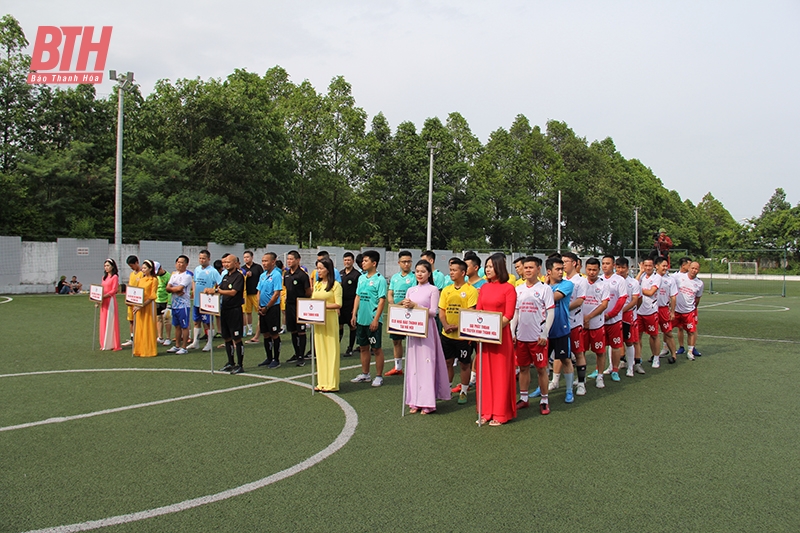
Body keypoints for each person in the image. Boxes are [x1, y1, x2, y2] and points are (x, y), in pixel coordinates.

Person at [401, 259, 451, 413]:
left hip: (427, 329)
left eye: (423, 271)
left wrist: (416, 306)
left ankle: (428, 402)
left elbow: (433, 312)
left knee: (427, 363)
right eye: (417, 271)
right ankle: (414, 400)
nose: (420, 274)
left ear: (429, 273)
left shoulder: (433, 289)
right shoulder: (411, 290)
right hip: (413, 330)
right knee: (414, 364)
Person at [475, 253, 517, 426]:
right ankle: (485, 411)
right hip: (484, 338)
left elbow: (509, 315)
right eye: (487, 266)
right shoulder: (484, 288)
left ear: (499, 267)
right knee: (484, 373)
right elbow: (478, 311)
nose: (488, 269)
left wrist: (493, 328)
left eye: (491, 266)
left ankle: (500, 413)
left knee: (500, 374)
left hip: (500, 338)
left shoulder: (509, 288)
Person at [511, 257, 555, 415]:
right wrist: (512, 331)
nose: (528, 270)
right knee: (523, 368)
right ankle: (524, 398)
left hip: (538, 338)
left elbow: (550, 312)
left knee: (541, 369)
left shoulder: (545, 289)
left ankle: (544, 400)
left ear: (538, 269)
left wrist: (545, 332)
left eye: (531, 267)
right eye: (526, 267)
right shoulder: (519, 289)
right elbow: (515, 312)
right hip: (522, 337)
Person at [439, 258, 478, 405]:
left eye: (454, 270)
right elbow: (441, 311)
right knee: (447, 362)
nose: (451, 273)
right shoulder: (446, 290)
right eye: (450, 270)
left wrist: (454, 327)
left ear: (463, 272)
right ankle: (446, 389)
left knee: (464, 364)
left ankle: (463, 391)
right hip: (446, 334)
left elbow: (470, 313)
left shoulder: (471, 291)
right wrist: (445, 325)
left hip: (463, 336)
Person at [350, 250, 388, 387]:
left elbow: (382, 301)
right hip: (361, 319)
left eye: (366, 261)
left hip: (373, 320)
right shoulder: (361, 278)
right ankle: (365, 374)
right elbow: (358, 296)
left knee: (376, 348)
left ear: (374, 263)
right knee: (363, 347)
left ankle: (378, 376)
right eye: (363, 261)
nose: (363, 263)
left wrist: (376, 319)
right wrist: (354, 314)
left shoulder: (380, 280)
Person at [206, 254, 246, 374]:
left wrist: (217, 291)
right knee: (227, 337)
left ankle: (240, 364)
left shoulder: (239, 276)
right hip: (225, 309)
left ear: (235, 263)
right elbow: (219, 289)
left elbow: (233, 292)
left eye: (228, 262)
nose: (225, 264)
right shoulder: (224, 276)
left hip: (235, 310)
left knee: (236, 338)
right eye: (224, 262)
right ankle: (230, 362)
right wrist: (210, 291)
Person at [554, 252, 587, 394]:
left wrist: (564, 308)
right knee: (558, 354)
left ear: (574, 263)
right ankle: (554, 381)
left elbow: (580, 300)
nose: (563, 264)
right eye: (562, 262)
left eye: (566, 261)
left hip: (574, 322)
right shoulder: (560, 280)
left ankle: (581, 383)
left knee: (578, 353)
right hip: (560, 323)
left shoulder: (581, 280)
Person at [312, 257, 343, 392]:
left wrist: (324, 306)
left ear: (328, 269)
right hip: (319, 321)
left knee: (331, 350)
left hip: (330, 319)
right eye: (317, 268)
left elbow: (338, 304)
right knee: (320, 350)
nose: (318, 271)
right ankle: (322, 381)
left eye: (321, 268)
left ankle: (332, 383)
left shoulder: (336, 285)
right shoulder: (317, 284)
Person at [387, 250, 416, 377]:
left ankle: (413, 366)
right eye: (404, 262)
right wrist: (392, 303)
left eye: (409, 261)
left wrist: (399, 305)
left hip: (410, 312)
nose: (406, 264)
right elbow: (390, 292)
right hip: (396, 313)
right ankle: (398, 367)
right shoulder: (395, 277)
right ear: (399, 263)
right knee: (396, 341)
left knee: (412, 341)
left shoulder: (414, 277)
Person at [582, 258, 610, 388]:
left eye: (594, 270)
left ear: (599, 270)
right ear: (585, 269)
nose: (592, 272)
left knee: (600, 351)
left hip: (597, 324)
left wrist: (589, 317)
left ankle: (600, 376)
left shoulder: (604, 285)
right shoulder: (581, 283)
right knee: (581, 352)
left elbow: (604, 305)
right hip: (581, 324)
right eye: (589, 269)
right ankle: (581, 378)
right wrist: (583, 318)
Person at [600, 255, 628, 382]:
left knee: (616, 346)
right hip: (599, 320)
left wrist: (611, 314)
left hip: (614, 320)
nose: (605, 266)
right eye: (603, 263)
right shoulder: (599, 279)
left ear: (613, 266)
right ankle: (599, 369)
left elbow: (622, 299)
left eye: (608, 263)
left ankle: (615, 370)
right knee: (600, 347)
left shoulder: (620, 280)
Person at [616, 257, 645, 377]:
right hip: (614, 316)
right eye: (618, 267)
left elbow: (636, 300)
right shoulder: (611, 281)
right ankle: (614, 366)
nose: (620, 270)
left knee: (630, 341)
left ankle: (632, 367)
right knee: (614, 342)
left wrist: (623, 310)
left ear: (627, 268)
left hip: (628, 316)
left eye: (623, 267)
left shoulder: (633, 282)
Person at [284, 250, 312, 366]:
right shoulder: (286, 274)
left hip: (300, 305)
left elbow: (308, 292)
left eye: (291, 259)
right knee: (293, 331)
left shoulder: (302, 275)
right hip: (289, 305)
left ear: (298, 260)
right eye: (288, 259)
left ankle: (301, 356)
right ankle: (296, 353)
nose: (289, 261)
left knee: (301, 331)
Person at [256, 252, 283, 369]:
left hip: (272, 309)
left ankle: (276, 359)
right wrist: (259, 305)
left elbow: (276, 293)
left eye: (266, 261)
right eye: (263, 261)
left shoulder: (276, 275)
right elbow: (258, 291)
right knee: (265, 334)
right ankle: (269, 357)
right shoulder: (262, 275)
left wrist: (267, 307)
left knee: (274, 333)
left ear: (273, 262)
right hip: (262, 308)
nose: (264, 263)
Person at [190, 250, 221, 352]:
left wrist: (214, 292)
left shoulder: (213, 271)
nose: (201, 260)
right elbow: (194, 281)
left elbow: (220, 283)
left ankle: (209, 343)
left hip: (207, 301)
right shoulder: (197, 269)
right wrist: (194, 291)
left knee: (208, 323)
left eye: (203, 258)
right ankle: (196, 342)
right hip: (197, 301)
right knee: (196, 321)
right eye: (200, 258)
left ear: (208, 259)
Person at [674, 261, 704, 360]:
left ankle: (690, 351)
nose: (694, 270)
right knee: (669, 330)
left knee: (691, 331)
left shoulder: (699, 283)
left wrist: (693, 307)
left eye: (696, 269)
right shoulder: (678, 278)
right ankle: (673, 348)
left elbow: (698, 298)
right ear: (689, 268)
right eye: (693, 268)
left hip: (689, 311)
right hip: (676, 310)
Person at [636, 258, 662, 368]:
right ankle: (638, 358)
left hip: (651, 311)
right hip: (639, 311)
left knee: (654, 335)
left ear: (654, 266)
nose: (647, 268)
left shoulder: (657, 277)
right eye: (645, 266)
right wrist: (640, 272)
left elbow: (651, 292)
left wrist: (638, 289)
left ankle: (656, 357)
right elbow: (633, 284)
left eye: (649, 266)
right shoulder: (641, 276)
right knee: (637, 336)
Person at [166, 255, 193, 355]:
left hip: (183, 305)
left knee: (184, 326)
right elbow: (168, 288)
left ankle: (184, 347)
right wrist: (175, 290)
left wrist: (174, 289)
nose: (179, 264)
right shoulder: (174, 275)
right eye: (178, 262)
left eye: (182, 262)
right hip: (174, 304)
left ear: (186, 264)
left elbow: (179, 288)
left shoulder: (187, 276)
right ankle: (177, 345)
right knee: (177, 326)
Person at [132, 260, 159, 357]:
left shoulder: (154, 280)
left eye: (145, 268)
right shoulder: (141, 279)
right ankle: (139, 349)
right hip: (140, 305)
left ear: (150, 269)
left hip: (148, 305)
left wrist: (142, 304)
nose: (143, 270)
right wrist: (136, 304)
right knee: (140, 326)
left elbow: (152, 295)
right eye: (142, 268)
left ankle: (149, 350)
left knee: (148, 326)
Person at [655, 256, 678, 364]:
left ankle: (673, 355)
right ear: (657, 266)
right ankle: (654, 356)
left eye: (666, 266)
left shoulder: (670, 280)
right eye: (663, 266)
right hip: (651, 309)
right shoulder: (650, 277)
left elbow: (673, 296)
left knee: (668, 332)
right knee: (653, 334)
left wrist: (672, 312)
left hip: (664, 309)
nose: (665, 268)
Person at [339, 252, 360, 356]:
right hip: (341, 304)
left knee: (352, 325)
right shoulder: (340, 273)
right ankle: (336, 346)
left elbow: (358, 292)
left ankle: (350, 348)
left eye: (349, 260)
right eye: (345, 260)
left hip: (351, 303)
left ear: (353, 261)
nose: (347, 262)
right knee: (339, 325)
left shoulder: (357, 275)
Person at [98, 258, 121, 351]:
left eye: (108, 265)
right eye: (105, 266)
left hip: (110, 300)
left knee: (110, 320)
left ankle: (113, 343)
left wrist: (104, 296)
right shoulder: (104, 277)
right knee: (103, 321)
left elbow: (114, 290)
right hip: (103, 301)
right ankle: (104, 343)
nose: (106, 267)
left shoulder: (114, 277)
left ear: (112, 266)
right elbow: (101, 288)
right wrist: (98, 298)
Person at [241, 250, 264, 341]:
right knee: (248, 312)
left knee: (259, 311)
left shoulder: (257, 267)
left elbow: (262, 278)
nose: (246, 259)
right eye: (244, 257)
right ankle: (249, 328)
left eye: (247, 257)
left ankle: (261, 328)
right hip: (246, 294)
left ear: (252, 257)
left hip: (256, 293)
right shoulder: (242, 269)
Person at [122, 255, 142, 347]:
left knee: (139, 320)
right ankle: (132, 338)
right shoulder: (131, 274)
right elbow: (129, 286)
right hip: (131, 300)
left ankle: (140, 338)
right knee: (131, 320)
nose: (131, 268)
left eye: (132, 265)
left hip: (139, 300)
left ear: (137, 262)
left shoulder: (142, 273)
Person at [154, 262, 172, 346]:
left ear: (161, 268)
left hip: (165, 301)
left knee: (166, 319)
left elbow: (170, 291)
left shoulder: (168, 276)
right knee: (158, 319)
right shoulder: (155, 277)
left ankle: (168, 338)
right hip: (157, 300)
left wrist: (169, 303)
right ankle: (160, 337)